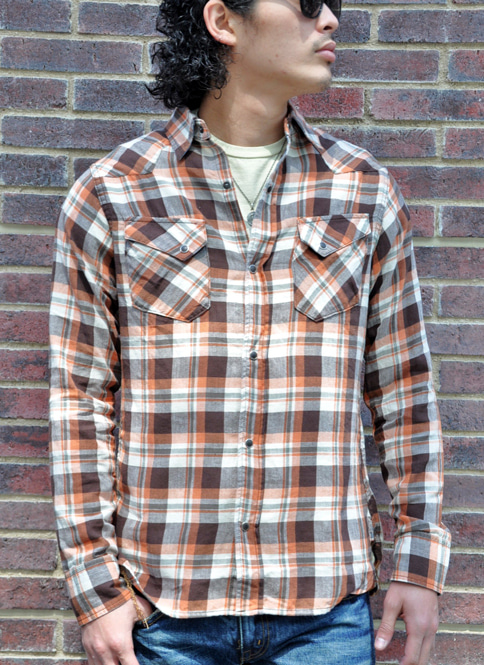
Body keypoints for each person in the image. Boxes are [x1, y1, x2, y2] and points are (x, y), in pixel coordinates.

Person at [49, 1, 451, 664]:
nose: (329, 20)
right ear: (224, 21)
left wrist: (419, 559)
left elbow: (405, 390)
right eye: (305, 1)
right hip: (163, 612)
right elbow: (79, 399)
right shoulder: (113, 195)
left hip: (324, 614)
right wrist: (96, 589)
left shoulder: (364, 193)